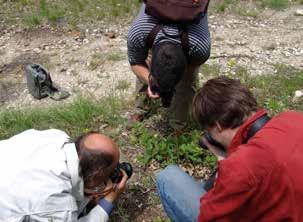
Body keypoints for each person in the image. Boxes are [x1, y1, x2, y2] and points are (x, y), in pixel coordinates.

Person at [156, 76, 303, 221]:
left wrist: (224, 164)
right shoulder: (293, 117)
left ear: (218, 126)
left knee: (168, 177)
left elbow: (207, 218)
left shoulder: (240, 167)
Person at [0, 129, 128, 221]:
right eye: (111, 171)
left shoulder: (57, 136)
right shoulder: (58, 205)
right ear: (95, 177)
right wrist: (110, 198)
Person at [127, 2, 211, 129]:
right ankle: (141, 109)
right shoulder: (139, 32)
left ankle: (178, 124)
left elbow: (189, 75)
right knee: (146, 65)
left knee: (186, 82)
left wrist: (171, 82)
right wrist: (150, 80)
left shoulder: (199, 48)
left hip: (190, 11)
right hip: (156, 22)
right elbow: (136, 63)